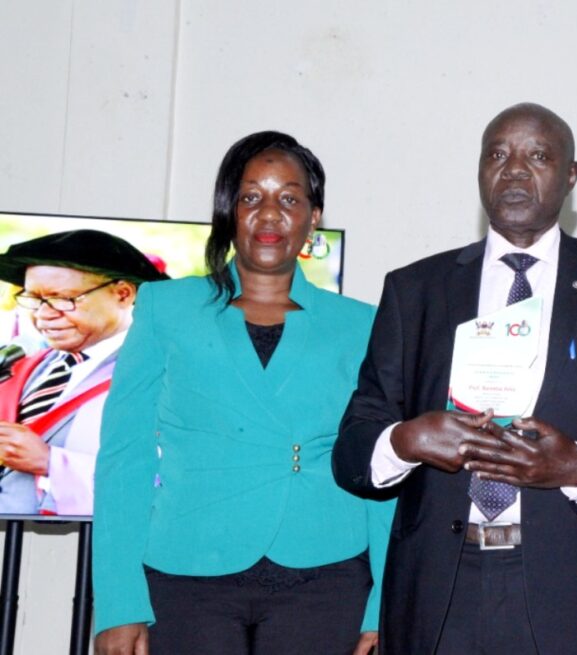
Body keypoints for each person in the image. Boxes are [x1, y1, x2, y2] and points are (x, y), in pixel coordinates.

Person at [333, 102, 577, 654]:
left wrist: (572, 465)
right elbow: (351, 451)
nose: (515, 169)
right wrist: (405, 439)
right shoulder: (414, 290)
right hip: (439, 586)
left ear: (571, 175)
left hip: (572, 589)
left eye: (538, 155)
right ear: (480, 172)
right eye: (498, 154)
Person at [92, 131, 394, 655]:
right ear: (229, 211)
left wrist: (383, 608)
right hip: (188, 571)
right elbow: (125, 458)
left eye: (289, 198)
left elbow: (381, 475)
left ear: (313, 215)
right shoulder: (166, 309)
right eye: (251, 197)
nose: (270, 214)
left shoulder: (362, 325)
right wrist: (120, 604)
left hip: (325, 574)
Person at [0, 230, 167, 516]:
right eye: (34, 299)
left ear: (123, 294)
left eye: (63, 298)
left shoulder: (166, 377)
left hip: (77, 549)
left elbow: (181, 484)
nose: (43, 314)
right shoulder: (23, 366)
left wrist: (51, 462)